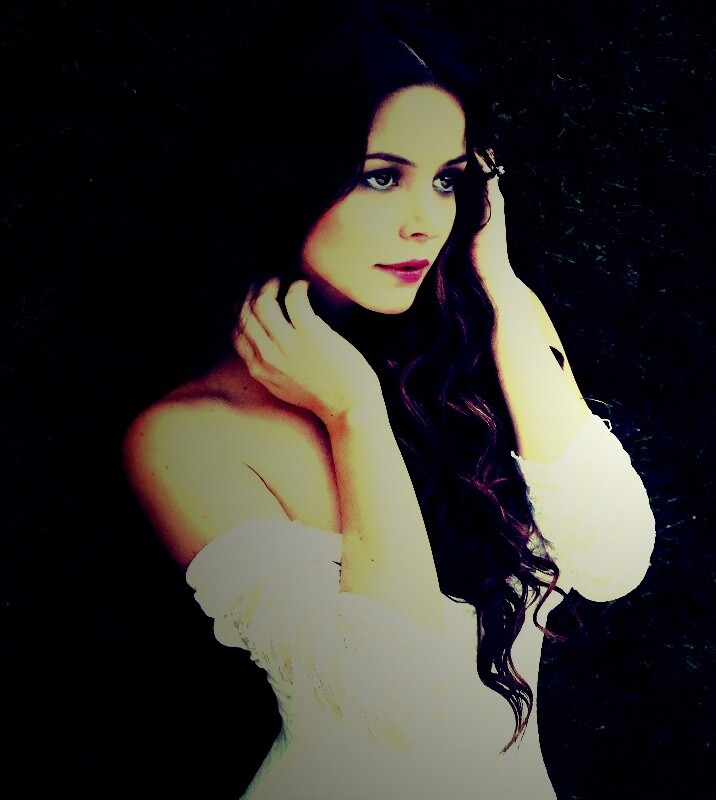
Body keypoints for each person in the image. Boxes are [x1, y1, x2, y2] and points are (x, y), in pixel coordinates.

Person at [121, 1, 656, 797]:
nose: (424, 223)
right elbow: (398, 709)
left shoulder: (492, 338)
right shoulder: (190, 437)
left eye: (447, 182)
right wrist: (354, 416)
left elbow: (613, 561)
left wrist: (498, 280)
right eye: (381, 177)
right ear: (288, 175)